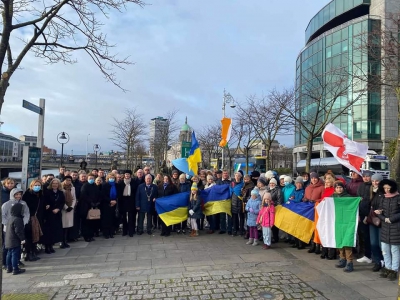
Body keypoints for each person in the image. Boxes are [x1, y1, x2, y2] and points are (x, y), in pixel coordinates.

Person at [376, 179, 400, 281]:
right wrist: (383, 218)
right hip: (385, 227)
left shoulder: (398, 197)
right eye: (385, 188)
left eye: (388, 188)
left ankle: (394, 270)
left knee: (395, 250)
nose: (386, 190)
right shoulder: (383, 198)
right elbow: (379, 211)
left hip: (396, 227)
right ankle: (387, 268)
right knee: (385, 250)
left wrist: (391, 219)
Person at [2, 188, 30, 269]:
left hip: (19, 227)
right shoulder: (6, 204)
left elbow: (26, 214)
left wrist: (23, 223)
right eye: (16, 194)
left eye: (19, 194)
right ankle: (5, 263)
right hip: (8, 229)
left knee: (17, 246)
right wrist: (8, 224)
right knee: (7, 247)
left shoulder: (23, 203)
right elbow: (3, 216)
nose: (18, 196)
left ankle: (16, 261)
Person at [333, 181, 354, 272]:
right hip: (337, 222)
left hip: (347, 222)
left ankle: (349, 262)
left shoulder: (348, 197)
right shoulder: (332, 197)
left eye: (340, 187)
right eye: (337, 187)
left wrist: (357, 200)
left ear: (343, 188)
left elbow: (353, 205)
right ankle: (342, 258)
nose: (339, 189)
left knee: (347, 241)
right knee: (339, 240)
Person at [22, 180, 45, 261]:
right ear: (31, 186)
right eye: (36, 185)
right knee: (29, 236)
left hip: (37, 218)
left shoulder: (40, 194)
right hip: (30, 218)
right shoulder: (27, 195)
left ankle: (33, 252)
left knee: (35, 235)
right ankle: (28, 253)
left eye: (39, 185)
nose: (37, 187)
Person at [42, 179, 65, 254]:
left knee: (55, 230)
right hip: (49, 214)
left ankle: (51, 245)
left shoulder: (60, 193)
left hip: (57, 213)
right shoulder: (47, 192)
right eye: (53, 183)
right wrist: (50, 208)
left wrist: (58, 209)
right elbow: (45, 202)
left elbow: (62, 202)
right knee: (48, 231)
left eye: (56, 184)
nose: (55, 185)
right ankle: (47, 247)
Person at [304, 172, 324, 254]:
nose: (313, 179)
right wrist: (304, 199)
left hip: (317, 209)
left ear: (318, 178)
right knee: (311, 228)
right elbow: (305, 196)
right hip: (309, 210)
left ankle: (318, 246)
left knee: (317, 228)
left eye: (315, 178)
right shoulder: (308, 187)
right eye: (312, 178)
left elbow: (323, 199)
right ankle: (312, 245)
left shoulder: (322, 187)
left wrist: (316, 201)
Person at [368, 173, 385, 272]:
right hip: (372, 219)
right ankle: (377, 261)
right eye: (373, 181)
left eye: (377, 181)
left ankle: (383, 261)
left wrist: (381, 210)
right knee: (373, 243)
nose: (375, 183)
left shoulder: (382, 192)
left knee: (380, 243)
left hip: (381, 220)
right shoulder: (371, 191)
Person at [357, 170, 373, 264]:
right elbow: (358, 199)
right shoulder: (361, 186)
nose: (366, 178)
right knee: (364, 235)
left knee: (371, 237)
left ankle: (372, 255)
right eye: (364, 176)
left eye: (367, 176)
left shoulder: (373, 186)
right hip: (362, 213)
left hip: (370, 214)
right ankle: (366, 255)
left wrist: (368, 215)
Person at [5, 202, 26, 275]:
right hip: (14, 240)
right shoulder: (17, 219)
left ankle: (9, 268)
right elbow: (18, 231)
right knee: (15, 254)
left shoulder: (10, 218)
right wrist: (22, 239)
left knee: (9, 253)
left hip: (9, 240)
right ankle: (15, 269)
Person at [80, 173, 102, 242]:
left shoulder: (95, 186)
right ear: (87, 179)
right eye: (90, 179)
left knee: (93, 222)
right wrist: (91, 202)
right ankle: (86, 236)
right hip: (86, 206)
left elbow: (99, 194)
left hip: (94, 206)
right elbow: (84, 195)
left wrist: (98, 202)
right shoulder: (85, 186)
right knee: (86, 222)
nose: (91, 180)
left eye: (92, 179)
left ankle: (91, 235)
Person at [119, 170, 138, 237]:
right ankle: (124, 231)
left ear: (130, 175)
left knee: (131, 217)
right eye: (126, 174)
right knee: (124, 217)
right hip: (123, 201)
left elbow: (135, 192)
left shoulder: (133, 182)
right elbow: (119, 193)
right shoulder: (121, 182)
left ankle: (131, 231)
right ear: (124, 175)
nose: (127, 175)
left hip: (131, 201)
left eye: (128, 174)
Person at [288, 177, 305, 249]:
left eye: (300, 183)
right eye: (297, 183)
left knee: (299, 228)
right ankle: (296, 242)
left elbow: (299, 200)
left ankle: (301, 243)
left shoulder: (302, 191)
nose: (298, 184)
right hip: (294, 211)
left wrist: (293, 199)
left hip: (300, 211)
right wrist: (292, 198)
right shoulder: (294, 190)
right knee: (294, 226)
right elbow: (290, 197)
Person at [60, 176, 76, 248]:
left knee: (67, 226)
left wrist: (72, 206)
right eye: (67, 180)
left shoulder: (72, 188)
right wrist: (66, 207)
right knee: (63, 226)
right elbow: (61, 200)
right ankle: (62, 241)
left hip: (70, 209)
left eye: (70, 180)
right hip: (64, 209)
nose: (68, 181)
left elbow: (74, 198)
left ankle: (65, 241)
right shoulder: (61, 188)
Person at [101, 173, 119, 239]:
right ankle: (106, 233)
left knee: (112, 218)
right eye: (110, 178)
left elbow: (118, 194)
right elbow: (103, 195)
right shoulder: (105, 185)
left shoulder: (116, 185)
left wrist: (115, 201)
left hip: (114, 204)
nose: (112, 179)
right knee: (106, 219)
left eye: (113, 178)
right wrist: (110, 201)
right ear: (108, 178)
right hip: (106, 204)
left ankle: (111, 232)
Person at [231, 172, 244, 236]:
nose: (237, 177)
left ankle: (241, 230)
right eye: (236, 175)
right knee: (234, 217)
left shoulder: (243, 184)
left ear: (240, 177)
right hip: (233, 201)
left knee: (241, 216)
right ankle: (235, 230)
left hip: (241, 201)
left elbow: (244, 192)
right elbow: (230, 191)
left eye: (238, 176)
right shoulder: (232, 183)